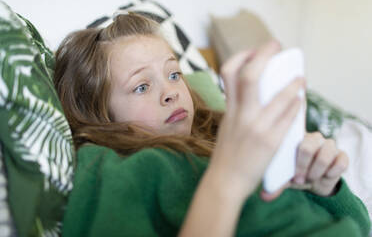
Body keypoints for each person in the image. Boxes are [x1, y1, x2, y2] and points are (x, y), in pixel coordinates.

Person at [54, 13, 370, 236]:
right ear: (100, 113)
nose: (171, 93)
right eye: (141, 86)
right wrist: (229, 177)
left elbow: (358, 225)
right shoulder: (113, 168)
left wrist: (325, 187)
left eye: (174, 74)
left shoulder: (222, 134)